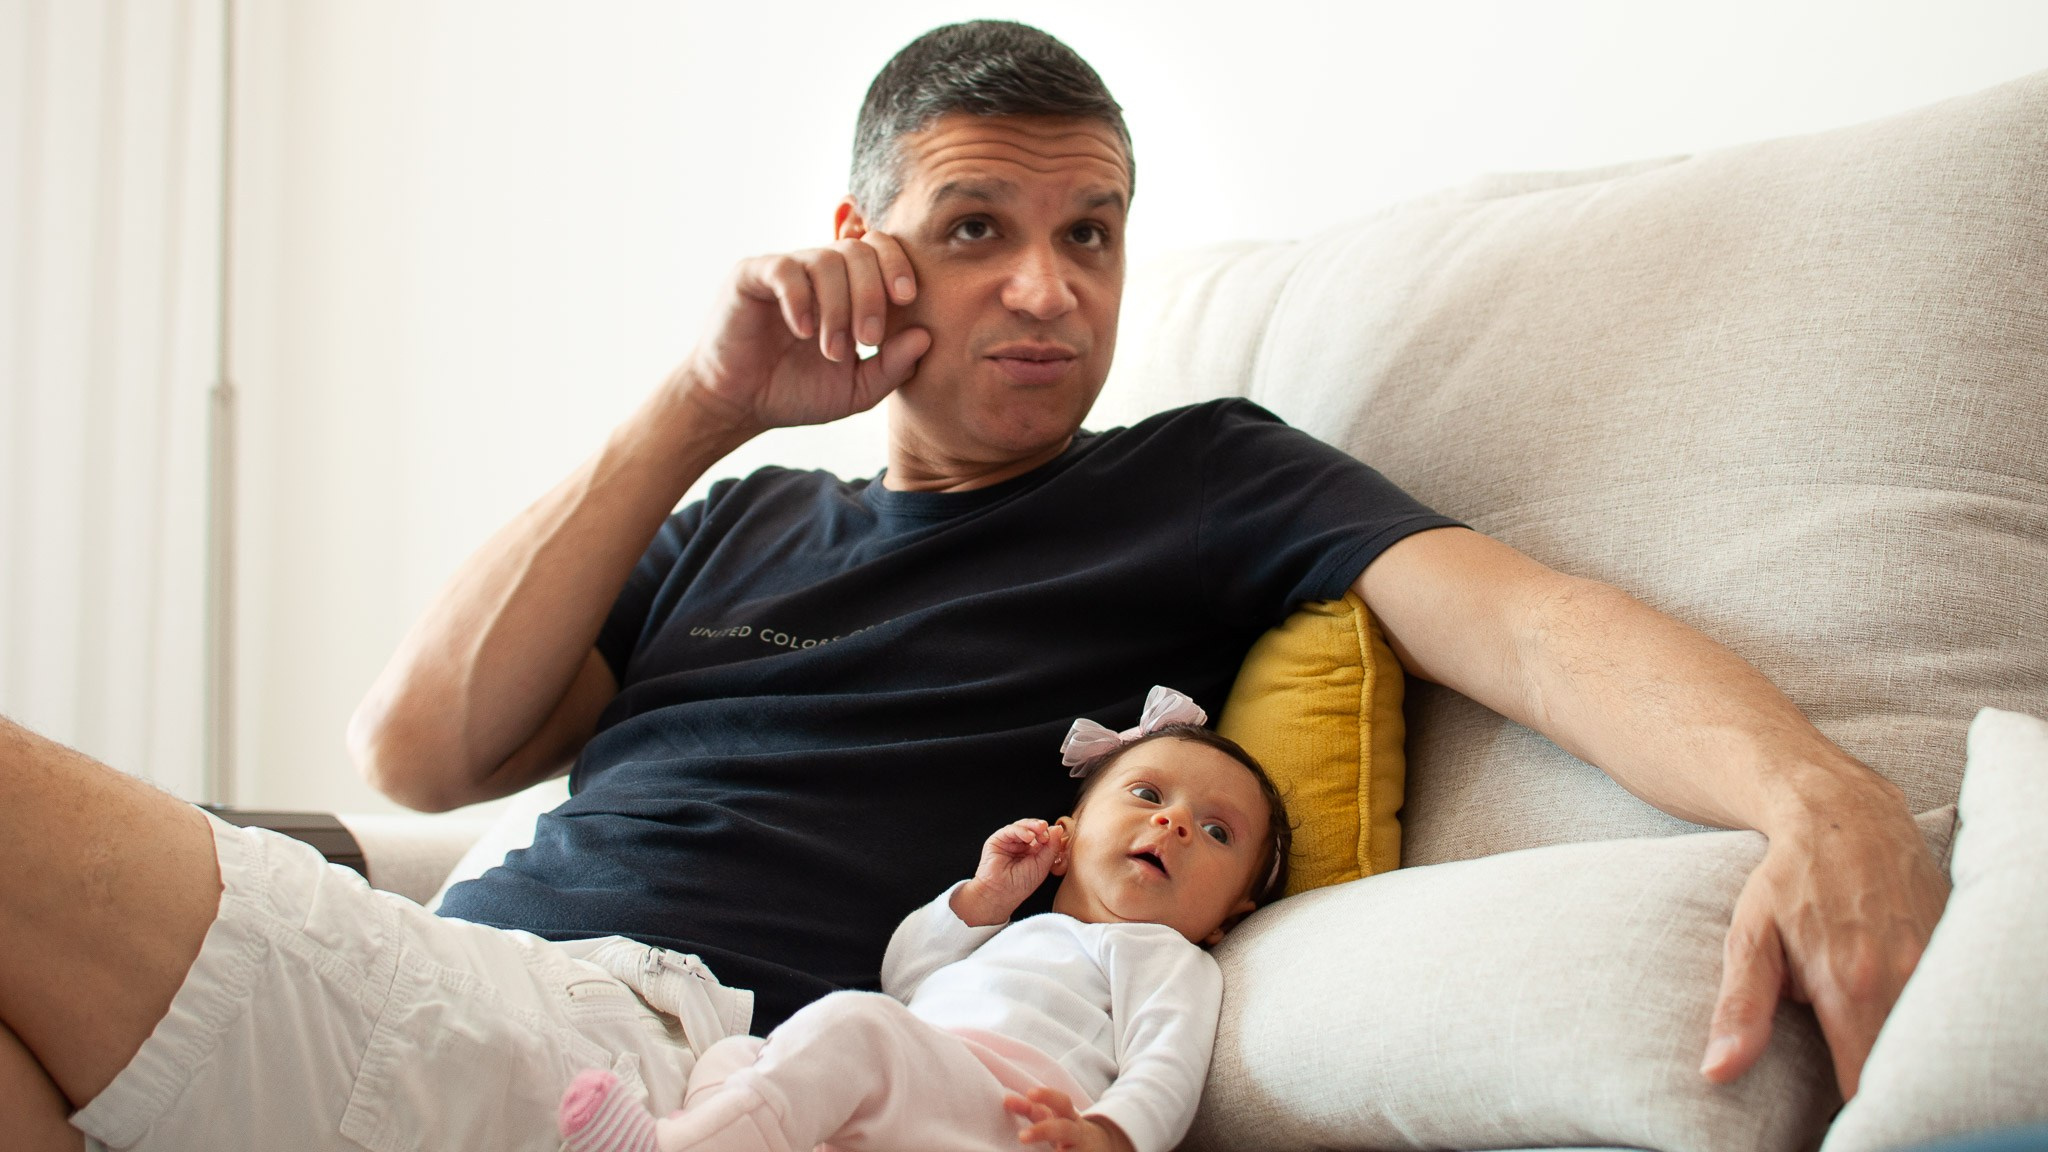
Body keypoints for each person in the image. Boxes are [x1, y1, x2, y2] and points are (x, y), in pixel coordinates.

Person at [0, 19, 1947, 1152]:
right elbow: (419, 752)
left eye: (1090, 231)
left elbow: (1524, 621)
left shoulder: (1201, 482)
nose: (1046, 287)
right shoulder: (735, 515)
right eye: (976, 227)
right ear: (863, 244)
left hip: (662, 1063)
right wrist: (698, 405)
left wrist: (1815, 794)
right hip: (449, 982)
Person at [557, 687, 1285, 1152]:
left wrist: (1109, 1137)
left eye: (1217, 831)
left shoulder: (1164, 956)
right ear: (1065, 839)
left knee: (856, 1025)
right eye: (1148, 794)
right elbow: (908, 980)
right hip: (912, 1096)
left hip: (1009, 1113)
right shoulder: (1017, 933)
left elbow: (1167, 1064)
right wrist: (983, 899)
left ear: (1228, 917)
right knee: (734, 1056)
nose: (1173, 823)